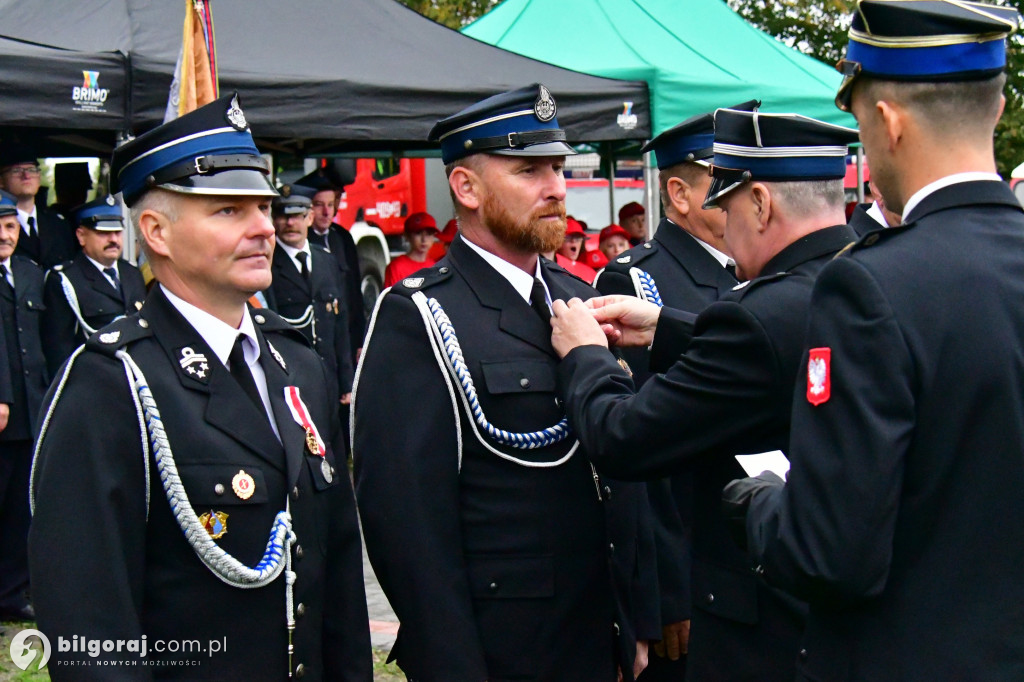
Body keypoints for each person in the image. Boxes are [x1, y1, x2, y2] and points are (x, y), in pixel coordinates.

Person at [723, 2, 1024, 679]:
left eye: (858, 123)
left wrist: (763, 505)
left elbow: (831, 556)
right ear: (998, 108)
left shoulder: (870, 286)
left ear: (886, 122)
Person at [29, 93, 371, 679]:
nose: (264, 227)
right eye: (228, 210)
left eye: (262, 207)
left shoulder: (298, 365)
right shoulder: (112, 383)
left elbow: (335, 578)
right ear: (156, 232)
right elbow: (90, 623)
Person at [354, 83, 655, 682]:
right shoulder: (419, 314)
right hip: (505, 651)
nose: (557, 188)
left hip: (597, 638)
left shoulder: (579, 299)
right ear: (466, 188)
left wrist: (635, 618)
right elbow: (409, 527)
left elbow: (623, 477)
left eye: (558, 168)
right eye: (529, 170)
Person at [549, 107, 860, 681]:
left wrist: (586, 355)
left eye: (728, 202)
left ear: (761, 203)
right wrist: (666, 326)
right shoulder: (866, 275)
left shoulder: (760, 312)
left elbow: (625, 439)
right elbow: (786, 351)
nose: (723, 218)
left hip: (762, 619)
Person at [591, 103, 750, 681]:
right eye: (723, 180)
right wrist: (667, 591)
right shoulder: (637, 280)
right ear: (680, 195)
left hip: (754, 548)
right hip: (695, 561)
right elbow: (642, 446)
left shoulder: (748, 267)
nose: (740, 192)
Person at [265, 188, 354, 412]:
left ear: (310, 218)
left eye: (298, 216)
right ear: (274, 220)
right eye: (283, 216)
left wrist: (347, 380)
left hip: (328, 378)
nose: (290, 223)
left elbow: (340, 324)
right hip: (291, 378)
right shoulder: (267, 264)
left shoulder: (326, 261)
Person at [0, 189, 45, 623]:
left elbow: (44, 343)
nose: (4, 235)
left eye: (11, 226)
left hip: (31, 411)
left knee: (20, 510)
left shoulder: (31, 274)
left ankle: (11, 593)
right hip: (2, 413)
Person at [41, 196, 147, 376]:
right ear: (81, 236)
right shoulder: (65, 280)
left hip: (138, 375)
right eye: (103, 233)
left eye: (117, 232)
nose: (113, 239)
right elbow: (58, 350)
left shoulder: (132, 273)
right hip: (94, 378)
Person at [294, 170, 366, 365]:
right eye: (319, 205)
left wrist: (360, 339)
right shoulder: (301, 242)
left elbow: (354, 292)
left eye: (330, 205)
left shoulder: (342, 237)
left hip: (346, 337)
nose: (327, 212)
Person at [0, 140, 77, 269]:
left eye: (32, 169)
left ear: (39, 177)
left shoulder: (59, 224)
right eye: (17, 170)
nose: (26, 176)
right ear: (1, 180)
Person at [383, 211, 439, 287]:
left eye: (429, 234)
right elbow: (392, 298)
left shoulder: (435, 266)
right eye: (418, 233)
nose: (424, 239)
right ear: (407, 236)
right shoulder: (397, 267)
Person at [552, 217, 597, 283]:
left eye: (578, 238)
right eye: (568, 237)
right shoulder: (551, 264)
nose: (573, 241)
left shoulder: (590, 272)